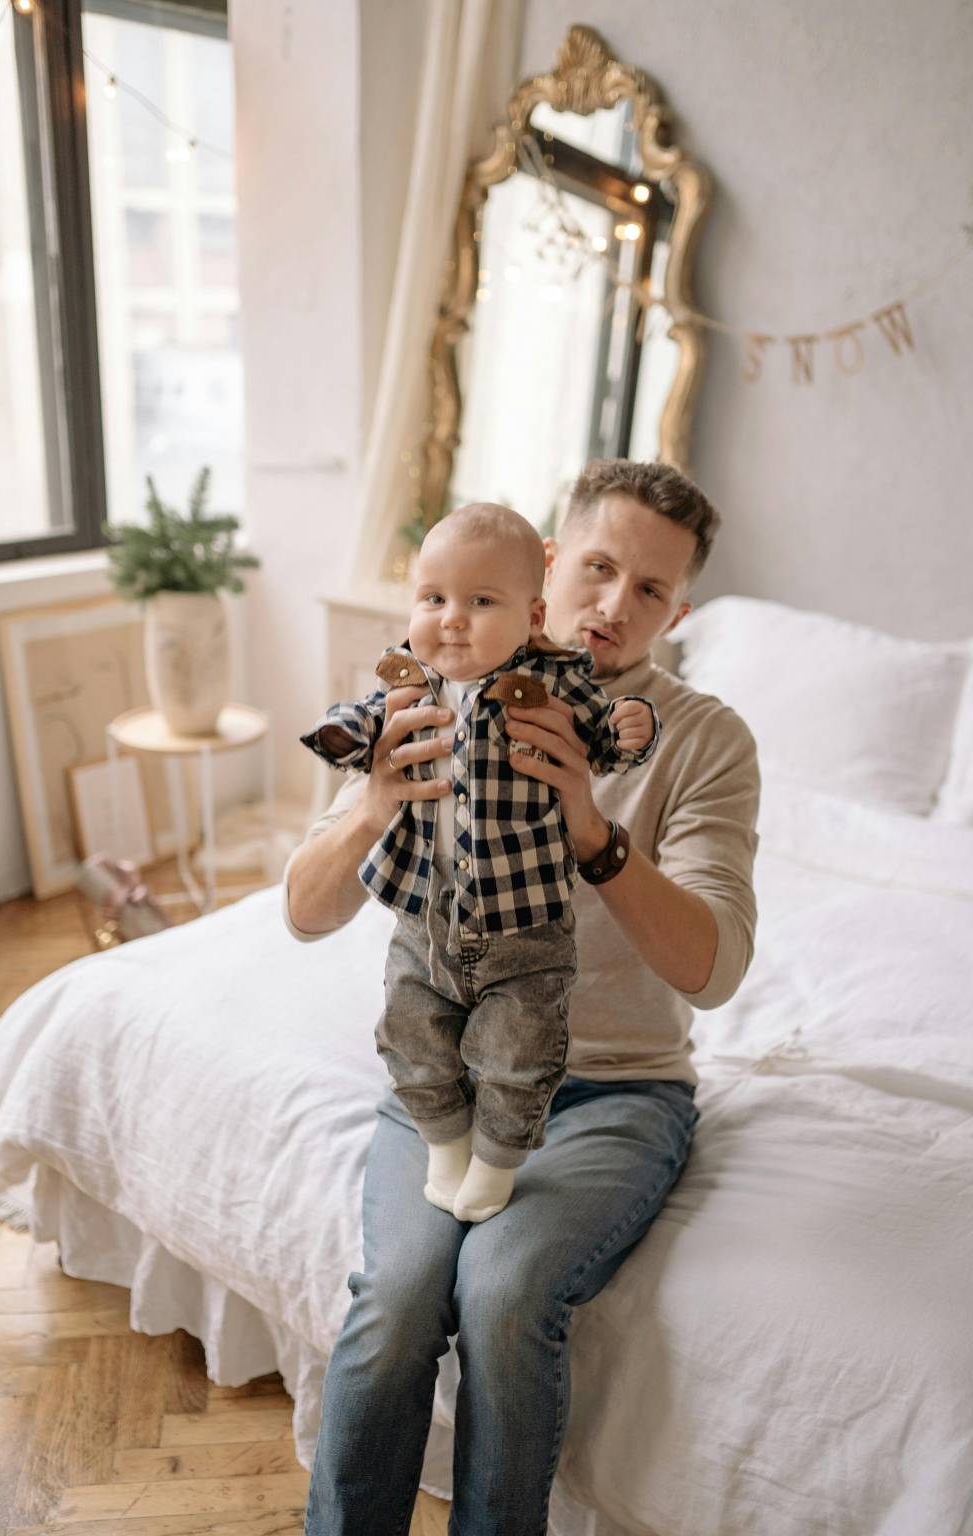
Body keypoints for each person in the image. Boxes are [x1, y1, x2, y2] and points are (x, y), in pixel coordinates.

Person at [284, 459, 760, 1536]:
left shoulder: (701, 739)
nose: (613, 607)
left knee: (502, 1298)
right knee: (399, 1301)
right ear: (549, 566)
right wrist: (369, 807)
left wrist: (592, 833)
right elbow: (304, 913)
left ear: (679, 610)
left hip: (612, 1092)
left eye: (649, 591)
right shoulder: (434, 684)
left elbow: (715, 967)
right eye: (598, 569)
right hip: (446, 1081)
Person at [299, 503, 661, 1222]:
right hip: (424, 922)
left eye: (480, 601)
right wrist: (345, 738)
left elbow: (609, 737)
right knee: (409, 1033)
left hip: (524, 925)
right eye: (433, 598)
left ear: (532, 616)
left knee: (519, 1049)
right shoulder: (409, 686)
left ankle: (497, 1160)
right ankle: (445, 1144)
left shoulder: (555, 687)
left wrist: (632, 729)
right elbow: (361, 719)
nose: (451, 619)